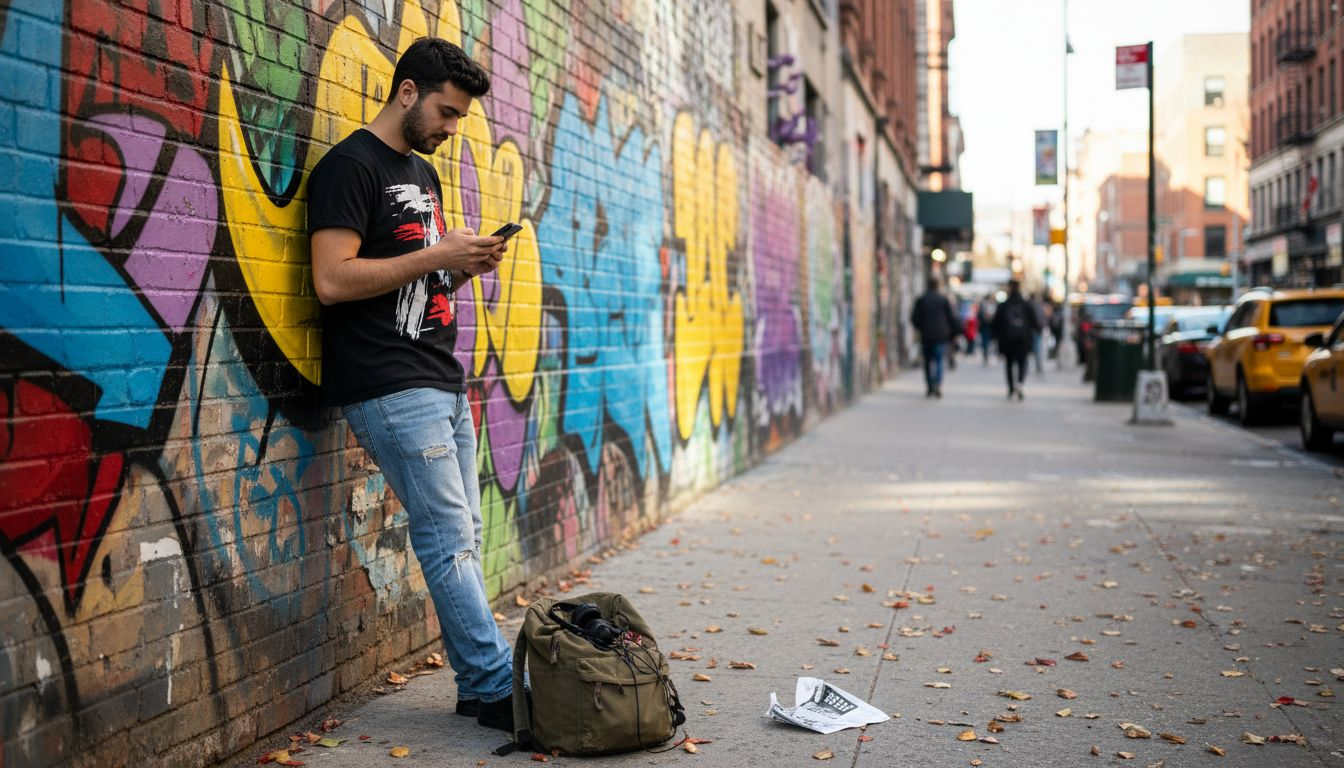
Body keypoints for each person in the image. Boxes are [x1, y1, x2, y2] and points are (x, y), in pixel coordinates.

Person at [307, 37, 515, 732]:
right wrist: (438, 252)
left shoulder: (419, 174)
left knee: (465, 532)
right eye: (447, 113)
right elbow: (333, 280)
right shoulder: (348, 167)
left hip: (440, 377)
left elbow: (414, 276)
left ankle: (476, 686)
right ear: (407, 92)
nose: (452, 129)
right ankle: (496, 689)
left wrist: (461, 267)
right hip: (388, 384)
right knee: (447, 537)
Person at [910, 275, 961, 398]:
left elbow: (914, 318)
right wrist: (954, 333)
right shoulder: (943, 299)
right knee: (939, 360)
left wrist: (921, 328)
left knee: (927, 361)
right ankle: (937, 384)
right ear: (938, 285)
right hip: (940, 335)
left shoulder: (922, 299)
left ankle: (929, 386)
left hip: (926, 335)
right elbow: (951, 318)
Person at [991, 280, 1041, 400]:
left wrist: (996, 338)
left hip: (1007, 340)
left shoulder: (1004, 305)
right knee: (1022, 362)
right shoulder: (1026, 304)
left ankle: (1011, 388)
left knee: (1009, 363)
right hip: (1023, 339)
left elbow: (995, 323)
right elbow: (1035, 322)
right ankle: (1020, 383)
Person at [977, 294, 996, 365]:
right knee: (985, 341)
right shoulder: (985, 306)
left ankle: (987, 353)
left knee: (987, 341)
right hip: (985, 326)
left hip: (988, 326)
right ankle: (986, 354)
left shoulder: (987, 306)